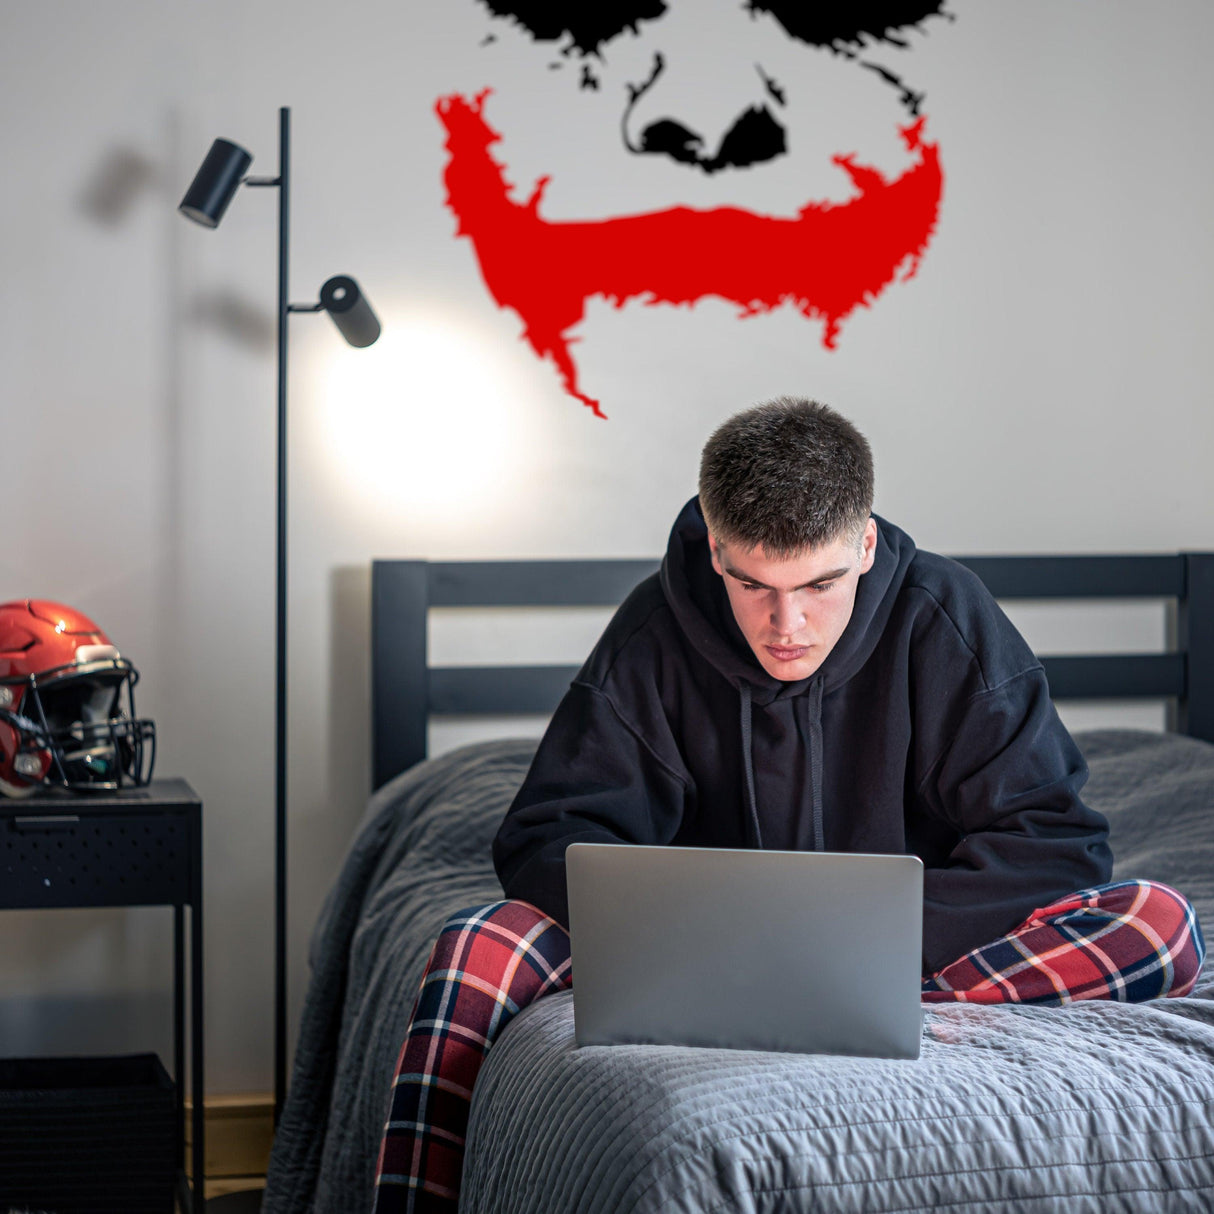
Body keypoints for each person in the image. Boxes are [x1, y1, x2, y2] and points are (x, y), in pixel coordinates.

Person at [374, 397, 1205, 1213]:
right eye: (752, 583)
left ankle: (868, 1002)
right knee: (478, 943)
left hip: (919, 953)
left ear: (867, 544)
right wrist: (704, 926)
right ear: (712, 545)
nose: (787, 625)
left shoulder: (948, 619)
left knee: (1159, 924)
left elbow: (1057, 845)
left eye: (820, 584)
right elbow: (550, 834)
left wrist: (858, 946)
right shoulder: (651, 633)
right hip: (695, 955)